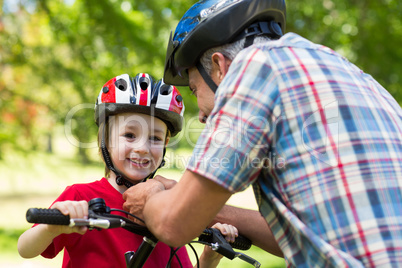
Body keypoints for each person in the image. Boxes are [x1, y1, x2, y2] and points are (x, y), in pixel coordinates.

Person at [122, 0, 402, 267]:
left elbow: (174, 224)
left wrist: (152, 197)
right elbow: (305, 238)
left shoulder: (255, 69)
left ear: (220, 67)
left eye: (195, 90)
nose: (202, 115)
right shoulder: (353, 75)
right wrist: (194, 201)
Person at [18, 73, 240, 268]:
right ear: (106, 140)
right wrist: (51, 228)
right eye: (130, 135)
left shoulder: (167, 207)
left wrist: (210, 257)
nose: (142, 148)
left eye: (154, 138)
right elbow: (25, 249)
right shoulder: (80, 198)